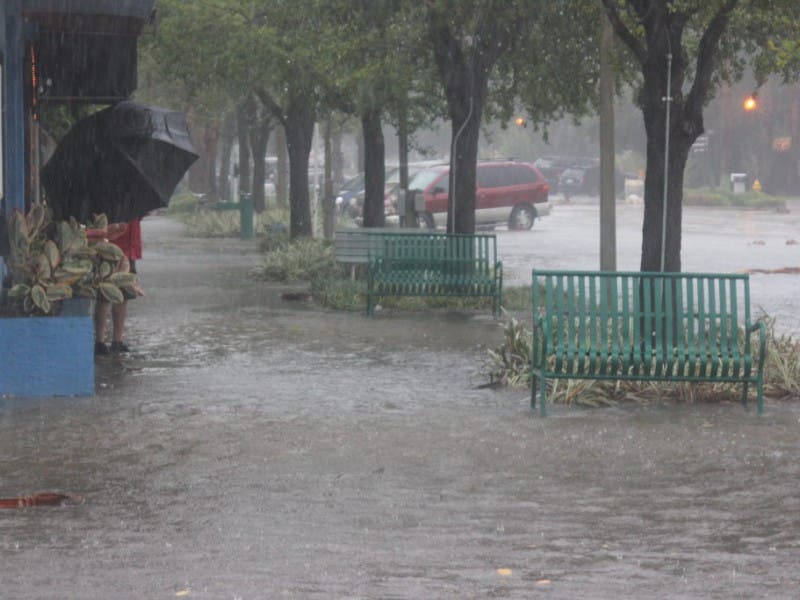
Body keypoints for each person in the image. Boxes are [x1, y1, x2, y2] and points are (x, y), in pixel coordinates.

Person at [93, 219, 143, 355]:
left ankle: (117, 340)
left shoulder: (134, 210)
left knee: (123, 296)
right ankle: (100, 341)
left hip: (128, 250)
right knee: (104, 295)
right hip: (110, 250)